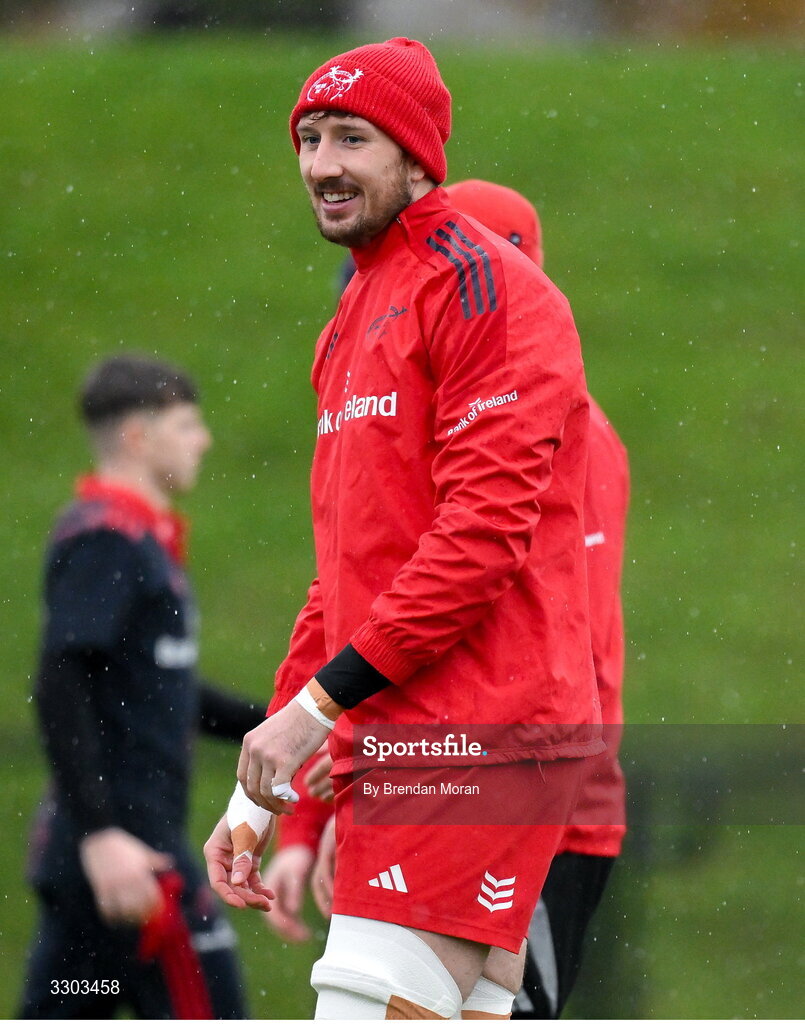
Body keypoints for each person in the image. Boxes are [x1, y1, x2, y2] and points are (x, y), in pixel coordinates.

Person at [205, 38, 603, 1020]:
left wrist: (318, 708)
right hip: (400, 737)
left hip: (473, 735)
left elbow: (479, 537)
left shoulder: (487, 289)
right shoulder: (350, 319)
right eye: (307, 137)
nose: (321, 162)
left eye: (352, 136)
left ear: (420, 156)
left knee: (357, 1000)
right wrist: (264, 784)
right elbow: (338, 573)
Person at [263, 180, 630, 1017]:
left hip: (520, 782)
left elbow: (558, 635)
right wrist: (323, 810)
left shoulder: (566, 433)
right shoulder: (431, 417)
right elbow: (353, 591)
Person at [18, 354, 266, 1019]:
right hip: (129, 857)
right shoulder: (108, 539)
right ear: (136, 436)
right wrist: (102, 835)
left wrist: (287, 723)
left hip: (100, 857)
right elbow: (60, 679)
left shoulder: (138, 542)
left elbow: (170, 693)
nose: (204, 440)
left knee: (67, 1003)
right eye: (187, 424)